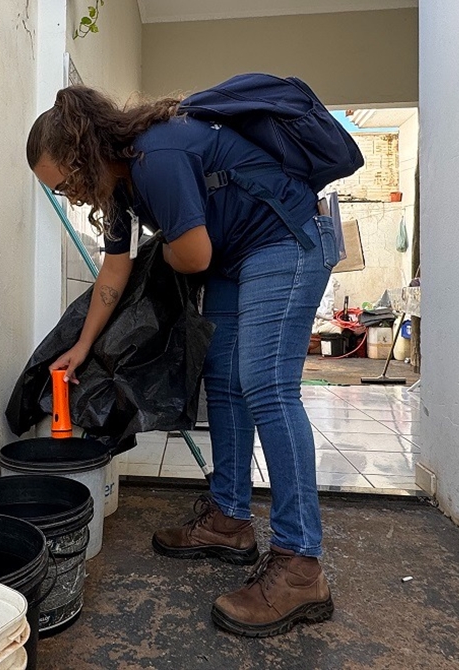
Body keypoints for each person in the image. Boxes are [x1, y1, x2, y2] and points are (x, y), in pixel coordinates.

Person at [26, 86, 340, 637]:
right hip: (237, 256)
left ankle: (300, 565)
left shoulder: (158, 156)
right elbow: (114, 274)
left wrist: (168, 245)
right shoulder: (120, 188)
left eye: (66, 182)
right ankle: (229, 519)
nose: (70, 196)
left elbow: (192, 255)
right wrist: (82, 345)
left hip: (284, 240)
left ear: (83, 153)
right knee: (223, 381)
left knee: (266, 385)